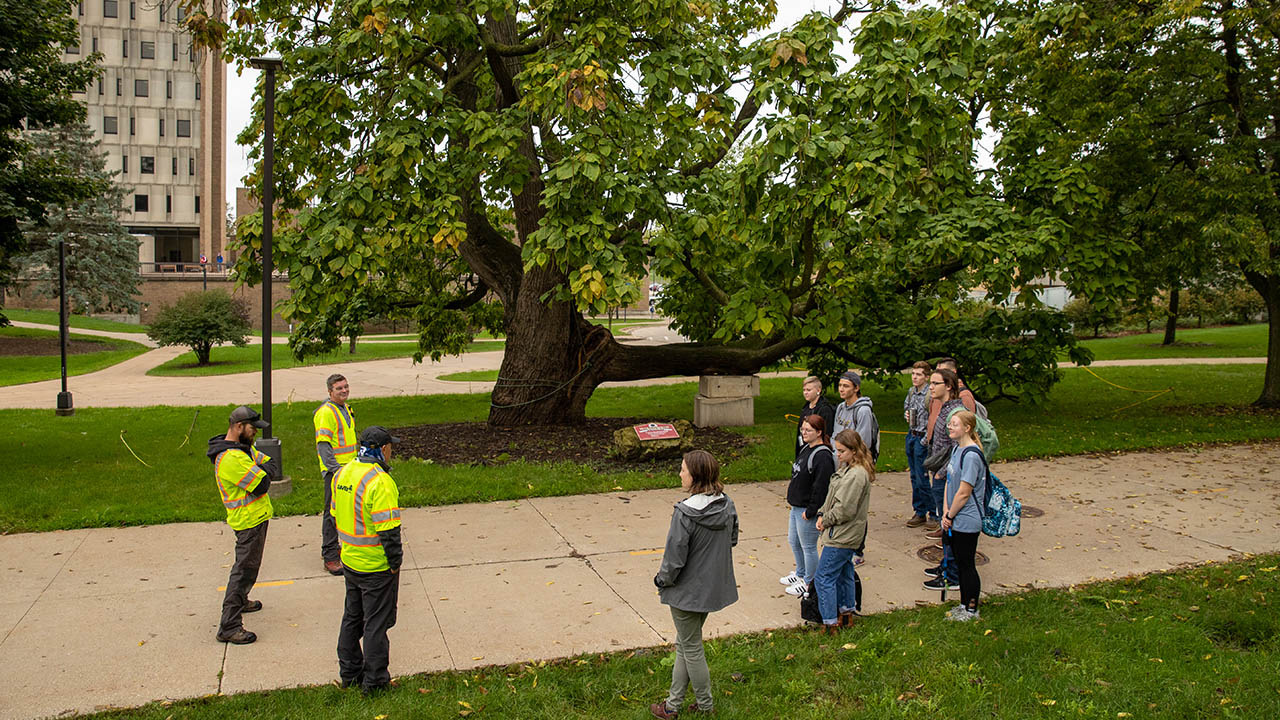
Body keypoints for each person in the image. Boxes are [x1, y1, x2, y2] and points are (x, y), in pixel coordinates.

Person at [650, 450, 739, 719]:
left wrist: (661, 580)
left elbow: (674, 559)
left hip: (687, 592)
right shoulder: (727, 503)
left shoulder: (685, 513)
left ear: (696, 476)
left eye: (683, 469)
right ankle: (672, 704)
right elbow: (732, 539)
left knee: (691, 647)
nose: (680, 474)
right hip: (712, 589)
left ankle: (704, 705)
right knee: (686, 643)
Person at [333, 426, 404, 694]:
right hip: (375, 566)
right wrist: (395, 562)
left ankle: (350, 673)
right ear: (383, 449)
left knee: (352, 617)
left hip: (350, 560)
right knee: (376, 624)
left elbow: (334, 514)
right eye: (390, 447)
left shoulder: (344, 472)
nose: (391, 452)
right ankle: (374, 682)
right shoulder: (380, 481)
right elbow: (389, 531)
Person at [206, 405, 274, 645]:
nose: (255, 432)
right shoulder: (232, 458)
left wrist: (260, 467)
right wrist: (260, 469)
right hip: (248, 521)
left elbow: (271, 466)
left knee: (248, 570)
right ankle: (229, 626)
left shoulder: (242, 449)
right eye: (252, 428)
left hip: (255, 518)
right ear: (238, 427)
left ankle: (242, 600)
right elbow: (263, 484)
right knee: (243, 571)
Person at [814, 429, 872, 635]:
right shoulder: (848, 470)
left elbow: (845, 509)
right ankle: (846, 613)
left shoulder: (856, 475)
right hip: (844, 533)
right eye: (836, 450)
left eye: (841, 451)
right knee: (844, 573)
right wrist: (823, 511)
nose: (837, 455)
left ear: (854, 451)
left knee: (824, 577)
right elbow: (833, 498)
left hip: (842, 535)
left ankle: (830, 622)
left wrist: (825, 520)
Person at [781, 415, 835, 597]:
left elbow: (821, 487)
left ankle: (810, 583)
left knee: (808, 546)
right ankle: (800, 573)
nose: (803, 433)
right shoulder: (806, 448)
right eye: (802, 429)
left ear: (819, 432)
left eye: (808, 430)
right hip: (796, 506)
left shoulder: (823, 456)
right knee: (793, 541)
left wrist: (812, 510)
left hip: (806, 510)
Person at [942, 410, 987, 621]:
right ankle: (962, 604)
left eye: (955, 424)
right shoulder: (956, 450)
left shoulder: (971, 455)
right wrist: (944, 511)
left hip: (967, 519)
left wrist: (950, 515)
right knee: (959, 563)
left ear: (967, 428)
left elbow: (964, 491)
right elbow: (949, 483)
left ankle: (971, 608)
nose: (950, 427)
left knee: (967, 564)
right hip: (953, 516)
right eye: (950, 424)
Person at [924, 368, 965, 592]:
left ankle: (952, 575)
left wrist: (942, 472)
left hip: (947, 478)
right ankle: (945, 565)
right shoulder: (944, 408)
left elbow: (957, 445)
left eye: (935, 383)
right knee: (943, 521)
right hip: (939, 474)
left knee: (949, 525)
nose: (931, 387)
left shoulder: (956, 412)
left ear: (948, 386)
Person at [315, 373, 357, 575]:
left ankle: (336, 549)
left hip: (349, 469)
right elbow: (324, 446)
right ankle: (330, 556)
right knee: (331, 514)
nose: (344, 391)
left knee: (342, 512)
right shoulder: (326, 413)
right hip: (336, 472)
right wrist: (335, 470)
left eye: (346, 387)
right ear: (330, 391)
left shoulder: (345, 408)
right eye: (339, 388)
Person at [903, 361, 933, 527]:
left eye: (919, 374)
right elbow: (906, 407)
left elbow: (934, 418)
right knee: (914, 477)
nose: (915, 377)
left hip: (923, 438)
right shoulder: (911, 392)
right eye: (913, 374)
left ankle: (933, 512)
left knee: (923, 477)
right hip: (912, 435)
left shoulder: (930, 394)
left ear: (926, 377)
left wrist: (925, 440)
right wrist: (907, 414)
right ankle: (919, 511)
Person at [832, 371, 878, 461]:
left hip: (855, 462)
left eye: (846, 386)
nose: (841, 389)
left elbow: (863, 443)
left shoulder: (863, 411)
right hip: (838, 460)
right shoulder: (840, 407)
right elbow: (835, 434)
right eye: (840, 385)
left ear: (856, 388)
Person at [795, 376, 835, 457]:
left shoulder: (825, 409)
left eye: (809, 390)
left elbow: (827, 434)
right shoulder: (806, 407)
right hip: (803, 448)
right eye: (804, 390)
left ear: (818, 390)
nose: (805, 393)